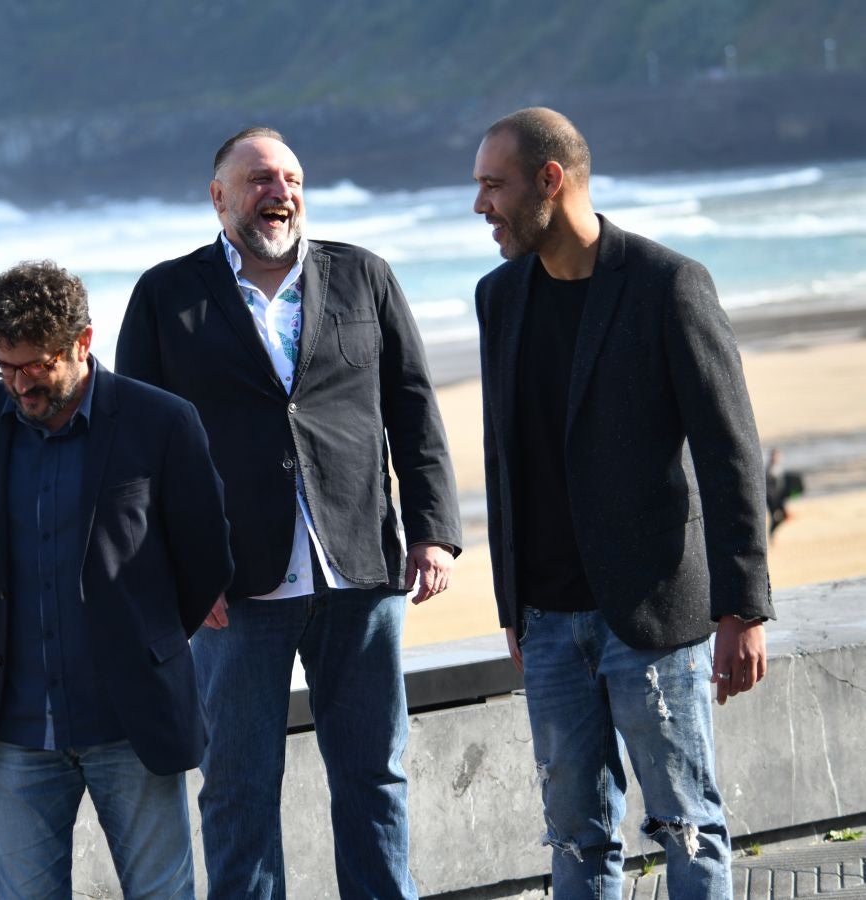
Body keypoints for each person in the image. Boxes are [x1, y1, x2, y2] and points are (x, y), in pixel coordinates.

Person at [117, 127, 462, 899]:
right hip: (235, 593)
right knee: (238, 791)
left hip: (360, 573)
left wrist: (434, 530)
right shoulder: (165, 296)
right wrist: (175, 580)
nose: (281, 193)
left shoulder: (363, 275)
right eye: (260, 179)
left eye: (292, 178)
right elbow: (133, 458)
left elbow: (412, 408)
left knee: (376, 778)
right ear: (219, 197)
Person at [472, 107, 775, 899]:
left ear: (551, 180)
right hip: (544, 621)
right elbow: (503, 456)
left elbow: (728, 449)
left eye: (492, 186)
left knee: (688, 826)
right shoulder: (498, 297)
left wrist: (742, 608)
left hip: (651, 612)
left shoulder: (668, 285)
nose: (481, 207)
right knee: (573, 840)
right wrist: (513, 600)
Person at [0, 260, 233, 899]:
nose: (18, 384)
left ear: (83, 342)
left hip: (132, 722)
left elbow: (206, 556)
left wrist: (143, 637)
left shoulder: (163, 421)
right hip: (13, 727)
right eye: (4, 366)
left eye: (35, 366)